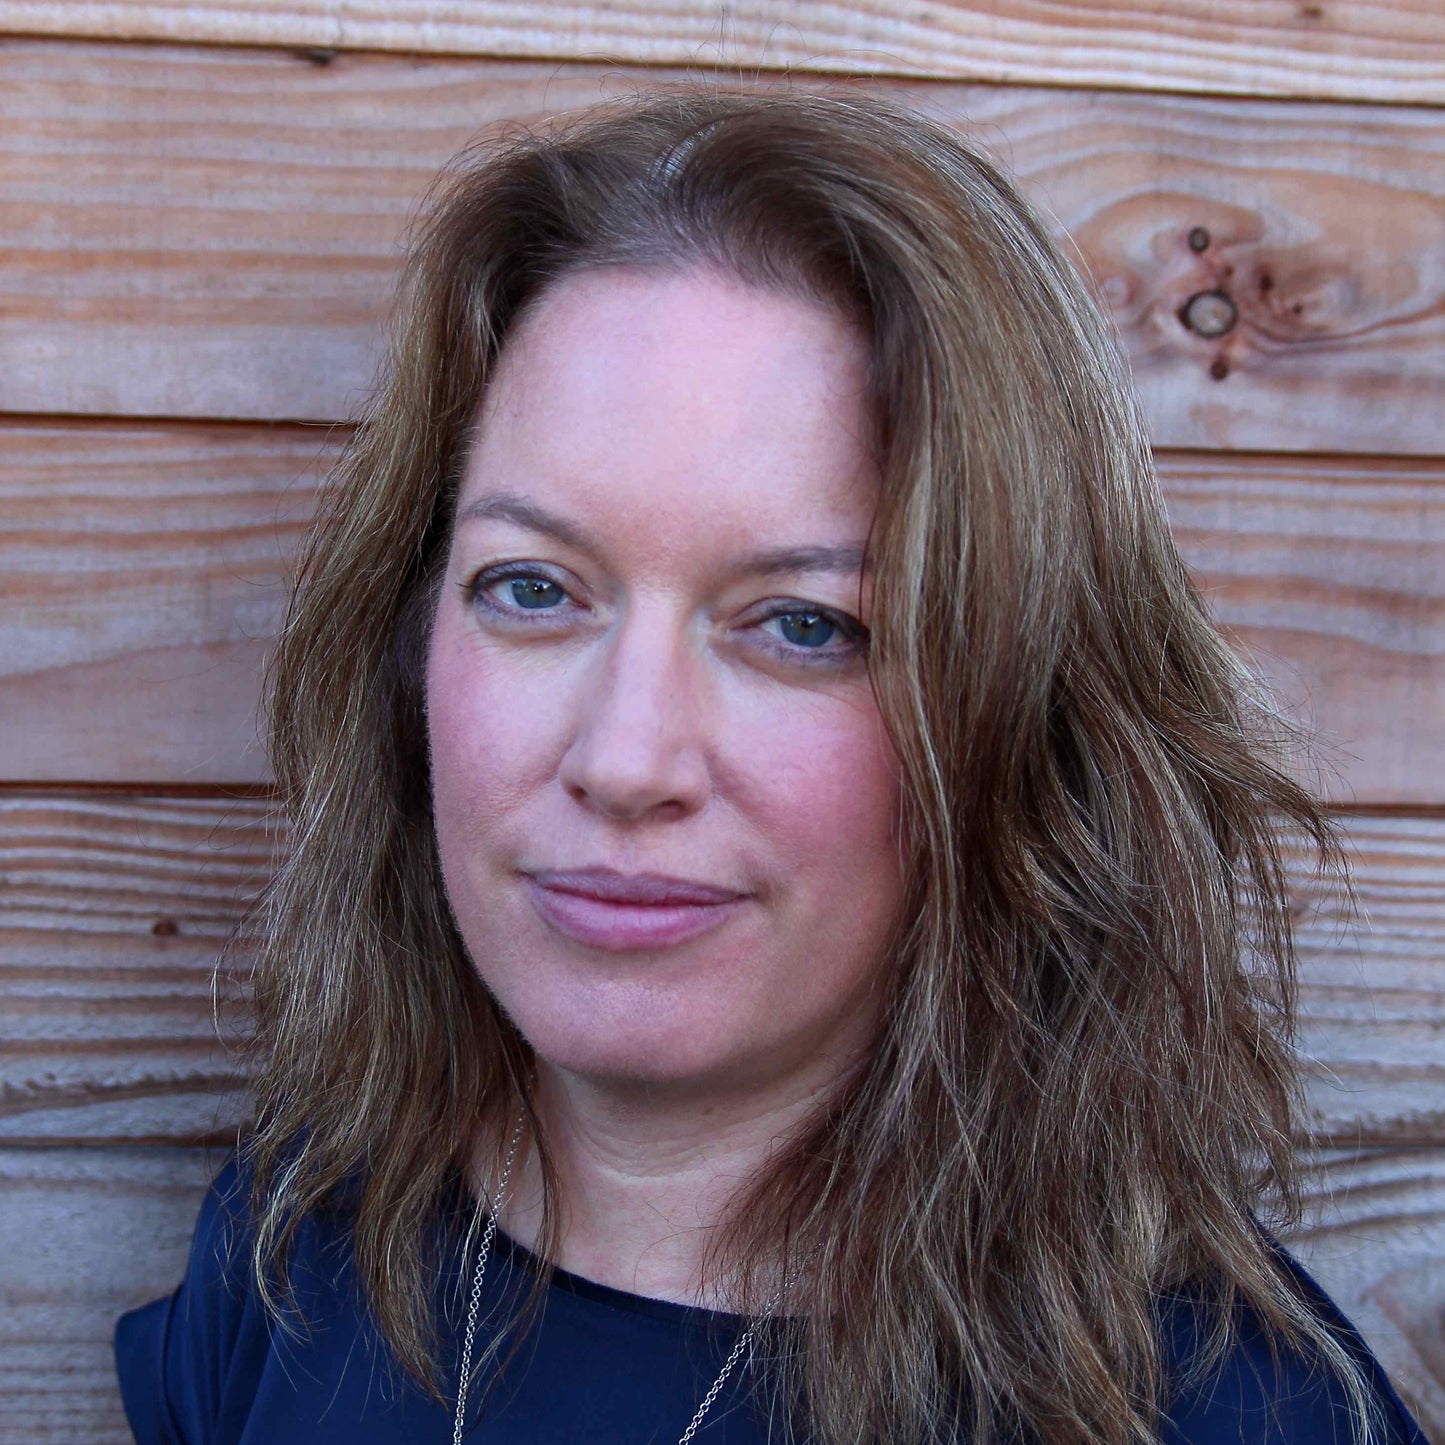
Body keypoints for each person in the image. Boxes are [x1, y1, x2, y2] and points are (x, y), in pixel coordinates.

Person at [114, 83, 1431, 1445]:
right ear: (409, 641)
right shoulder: (292, 1251)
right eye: (531, 588)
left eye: (804, 625)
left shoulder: (1227, 1414)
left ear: (1015, 711)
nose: (625, 758)